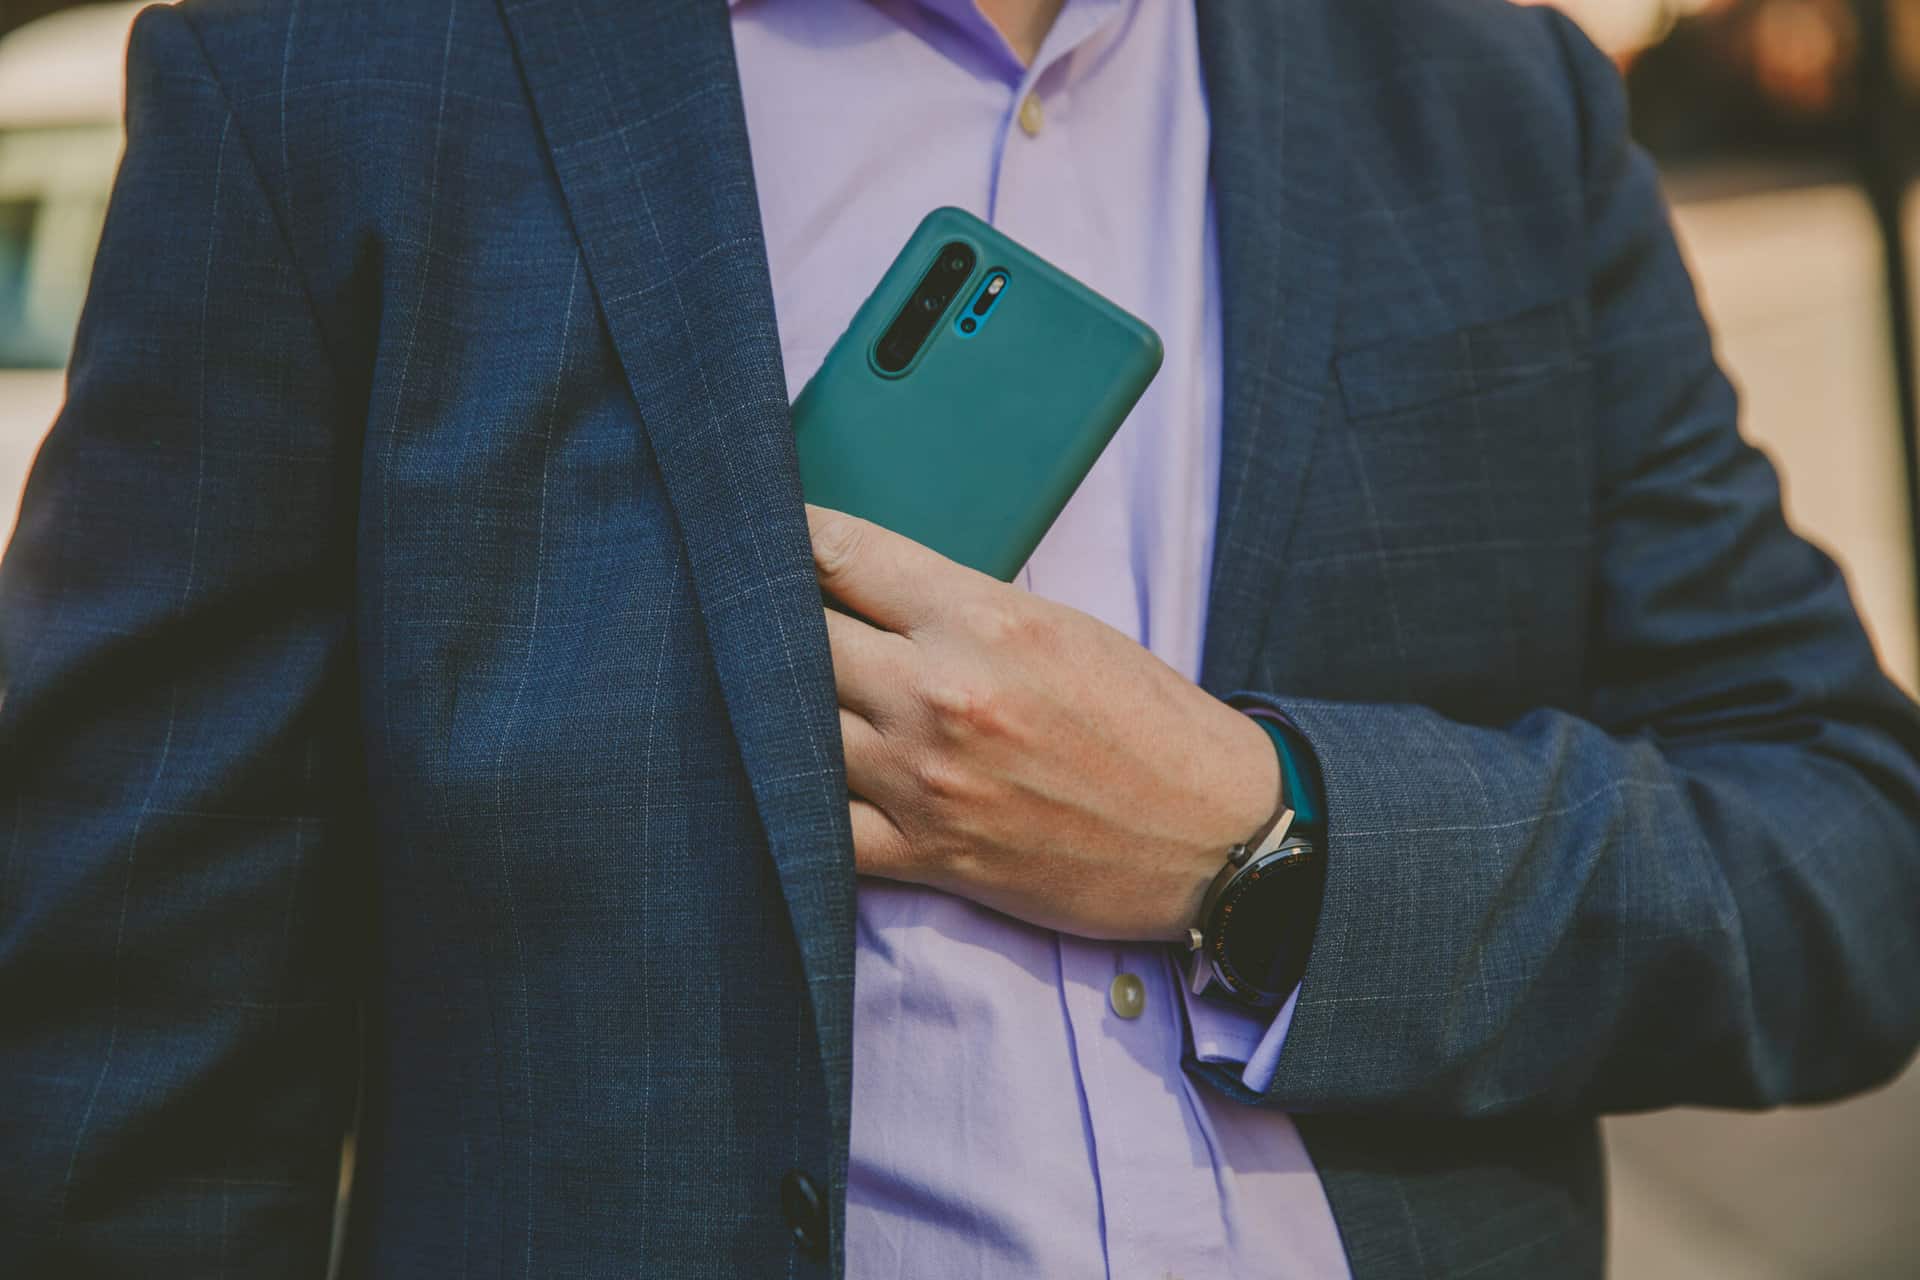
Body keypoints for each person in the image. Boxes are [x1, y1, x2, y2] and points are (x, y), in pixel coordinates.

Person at [4, 0, 1918, 1275]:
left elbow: (1848, 855)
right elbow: (126, 1053)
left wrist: (1268, 849)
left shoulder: (1490, 95)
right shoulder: (337, 78)